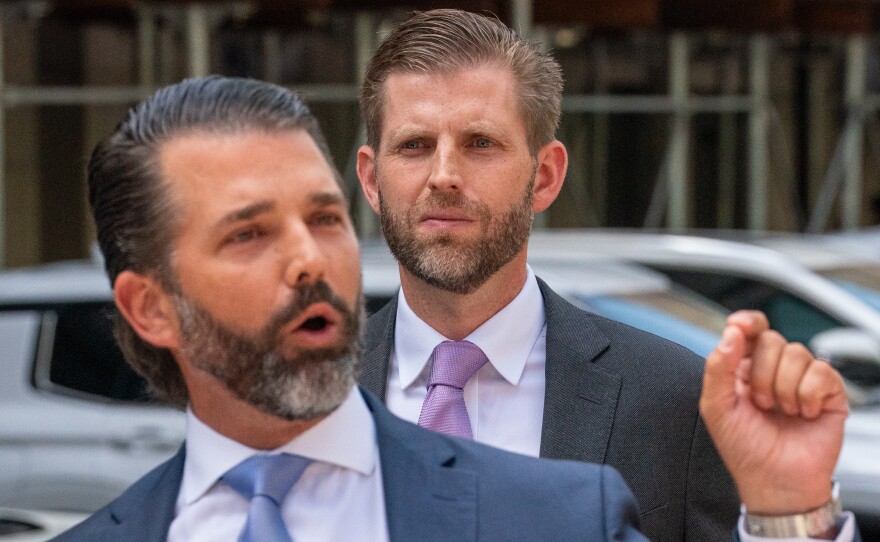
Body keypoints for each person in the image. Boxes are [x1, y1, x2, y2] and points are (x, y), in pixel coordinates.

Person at [50, 75, 857, 542]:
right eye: (249, 234)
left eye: (324, 219)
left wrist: (790, 515)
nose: (309, 259)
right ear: (149, 309)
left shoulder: (568, 517)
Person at [354, 9, 855, 541]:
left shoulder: (672, 401)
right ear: (371, 179)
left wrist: (790, 513)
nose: (444, 176)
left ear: (545, 177)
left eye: (480, 142)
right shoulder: (308, 396)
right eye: (414, 146)